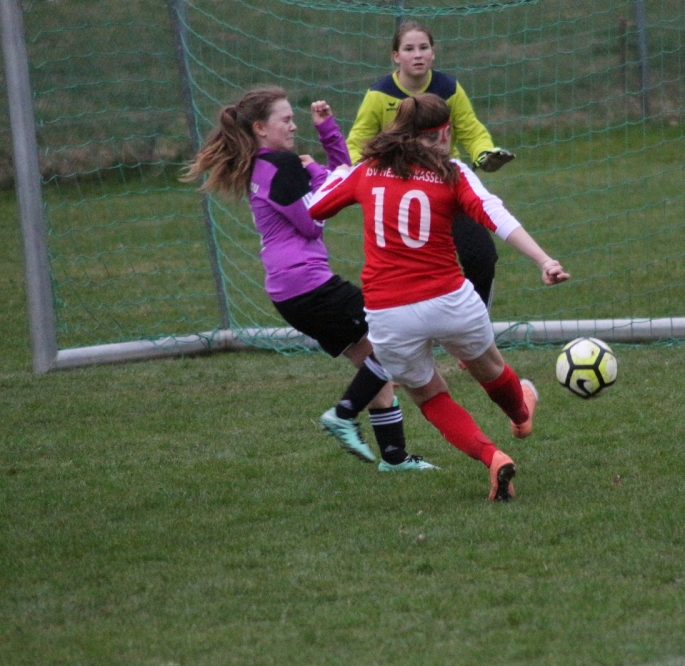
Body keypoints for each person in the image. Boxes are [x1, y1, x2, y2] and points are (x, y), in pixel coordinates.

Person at [306, 93, 570, 501]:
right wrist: (543, 260)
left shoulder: (369, 168)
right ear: (445, 133)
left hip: (389, 311)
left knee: (429, 395)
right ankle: (520, 416)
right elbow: (494, 214)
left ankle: (492, 457)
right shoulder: (452, 172)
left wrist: (339, 174)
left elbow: (316, 209)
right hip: (450, 300)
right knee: (490, 368)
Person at [180, 86, 435, 472]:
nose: (293, 125)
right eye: (285, 119)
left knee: (372, 362)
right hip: (308, 286)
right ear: (260, 128)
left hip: (293, 290)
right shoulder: (280, 166)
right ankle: (343, 413)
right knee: (395, 340)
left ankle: (395, 458)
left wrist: (328, 132)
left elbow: (340, 180)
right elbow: (313, 221)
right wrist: (316, 172)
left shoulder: (266, 165)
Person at [346, 20, 515, 310]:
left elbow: (471, 130)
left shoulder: (449, 88)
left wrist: (484, 154)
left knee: (481, 257)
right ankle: (411, 322)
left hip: (446, 185)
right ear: (396, 56)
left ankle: (476, 324)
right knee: (408, 269)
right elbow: (358, 142)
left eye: (423, 48)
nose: (417, 55)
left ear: (433, 53)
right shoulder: (379, 95)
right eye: (409, 49)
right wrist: (366, 174)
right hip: (400, 192)